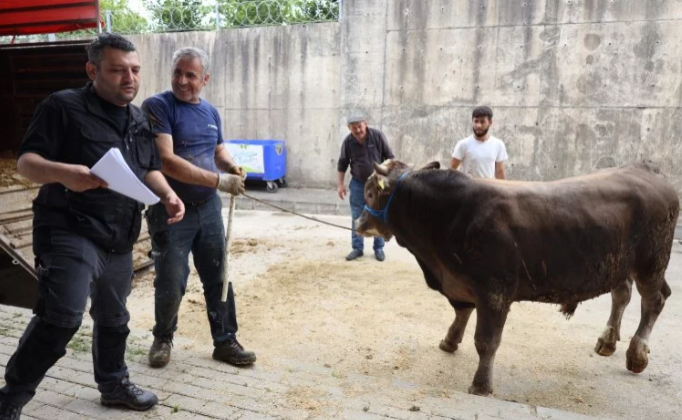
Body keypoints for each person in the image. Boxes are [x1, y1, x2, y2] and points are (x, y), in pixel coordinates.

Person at [0, 33, 185, 419]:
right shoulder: (62, 107)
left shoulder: (139, 118)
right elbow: (26, 163)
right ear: (93, 69)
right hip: (69, 227)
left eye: (134, 70)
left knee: (115, 318)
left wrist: (168, 194)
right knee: (62, 315)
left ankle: (114, 384)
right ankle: (12, 396)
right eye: (118, 70)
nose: (129, 78)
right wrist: (64, 173)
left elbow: (149, 168)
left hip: (119, 234)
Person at [141, 47, 256, 369]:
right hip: (170, 210)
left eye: (190, 75)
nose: (182, 80)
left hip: (207, 209)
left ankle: (225, 341)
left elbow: (217, 150)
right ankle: (163, 337)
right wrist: (219, 182)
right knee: (170, 279)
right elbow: (166, 160)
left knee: (219, 276)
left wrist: (232, 167)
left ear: (205, 79)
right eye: (178, 72)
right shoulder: (157, 107)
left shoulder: (210, 112)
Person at [337, 115, 394, 262]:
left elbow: (390, 157)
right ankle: (357, 248)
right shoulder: (348, 142)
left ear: (365, 124)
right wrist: (340, 184)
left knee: (379, 212)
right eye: (353, 127)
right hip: (357, 183)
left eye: (359, 126)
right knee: (357, 215)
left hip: (377, 182)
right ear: (349, 128)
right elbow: (342, 163)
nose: (357, 130)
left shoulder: (377, 136)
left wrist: (386, 180)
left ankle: (379, 248)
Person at [450, 106, 508, 179]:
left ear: (490, 123)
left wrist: (502, 188)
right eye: (476, 121)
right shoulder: (463, 144)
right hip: (468, 189)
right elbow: (452, 170)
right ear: (472, 121)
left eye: (482, 122)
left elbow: (499, 171)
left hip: (489, 188)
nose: (478, 125)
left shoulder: (498, 144)